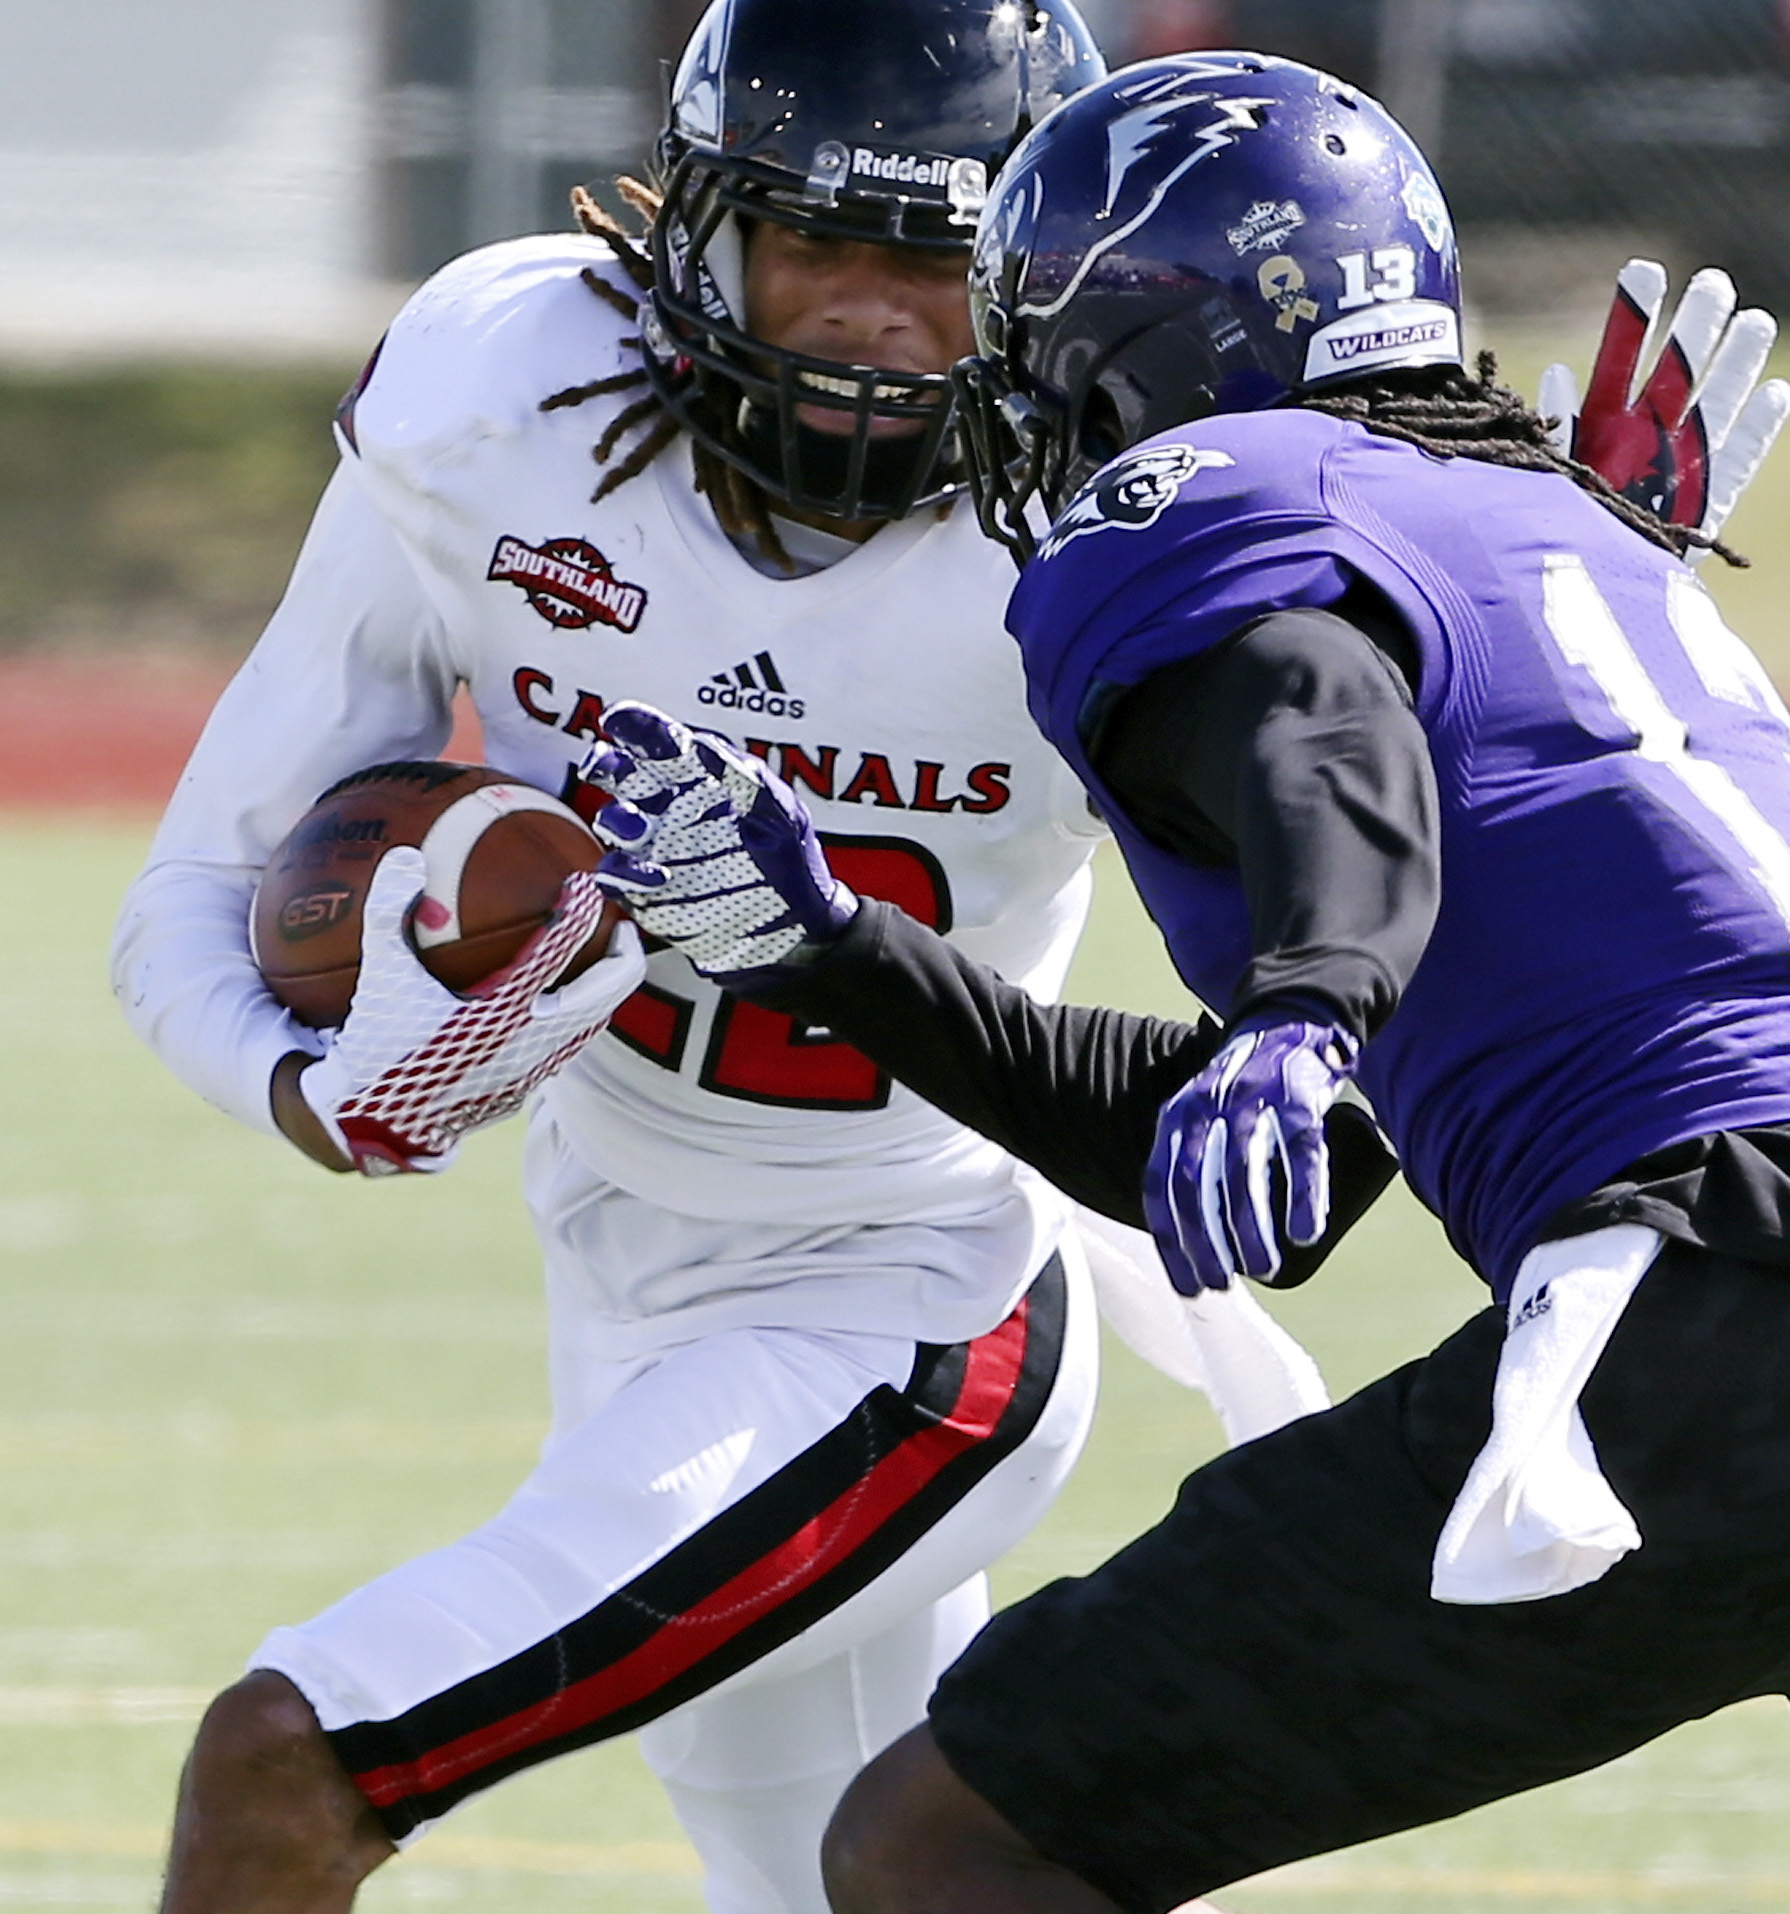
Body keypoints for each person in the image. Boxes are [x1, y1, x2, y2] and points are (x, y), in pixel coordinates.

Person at [577, 51, 1790, 1914]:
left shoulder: (1209, 501)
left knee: (938, 1840)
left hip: (1737, 1315)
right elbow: (1293, 1174)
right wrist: (842, 951)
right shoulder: (1577, 547)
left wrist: (1306, 997)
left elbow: (1320, 723)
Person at [111, 6, 1128, 1912]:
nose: (873, 317)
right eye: (819, 239)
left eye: (937, 260)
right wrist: (307, 1087)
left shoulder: (1099, 527)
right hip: (626, 1259)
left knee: (288, 1757)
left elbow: (1368, 856)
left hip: (913, 1301)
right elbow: (194, 890)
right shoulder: (503, 404)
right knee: (865, 1884)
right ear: (693, 230)